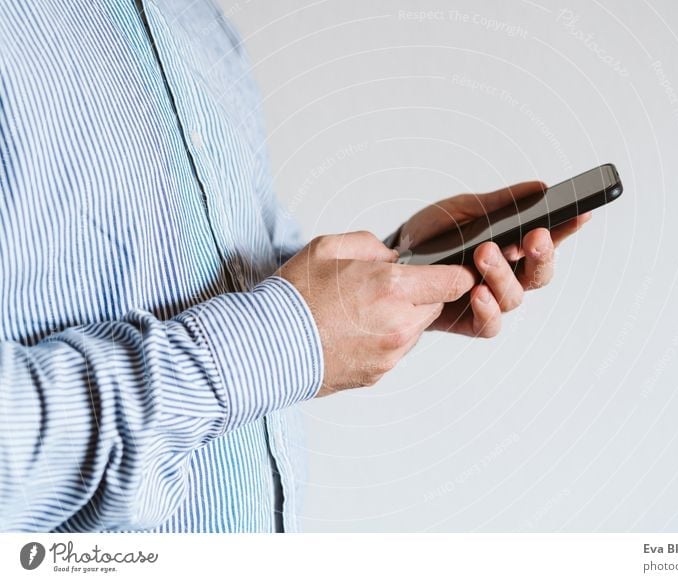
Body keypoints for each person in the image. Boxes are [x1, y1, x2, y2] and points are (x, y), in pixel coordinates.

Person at [0, 1, 591, 532]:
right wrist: (285, 338)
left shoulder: (199, 24)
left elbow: (253, 289)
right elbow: (273, 330)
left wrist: (400, 263)